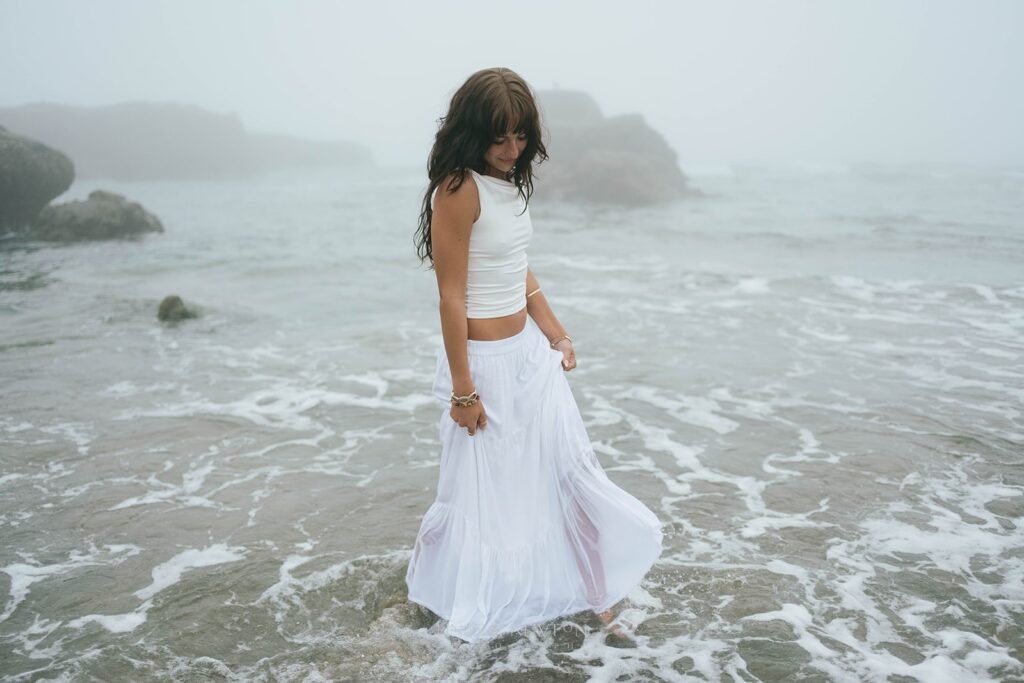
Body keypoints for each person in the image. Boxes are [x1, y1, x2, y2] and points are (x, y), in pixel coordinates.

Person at [406, 67, 663, 644]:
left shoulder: (511, 183)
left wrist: (556, 332)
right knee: (479, 496)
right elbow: (450, 296)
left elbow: (516, 267)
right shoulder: (458, 189)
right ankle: (446, 599)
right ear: (474, 132)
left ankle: (596, 598)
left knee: (566, 477)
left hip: (528, 359)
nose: (511, 148)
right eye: (499, 137)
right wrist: (464, 391)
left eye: (520, 136)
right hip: (484, 368)